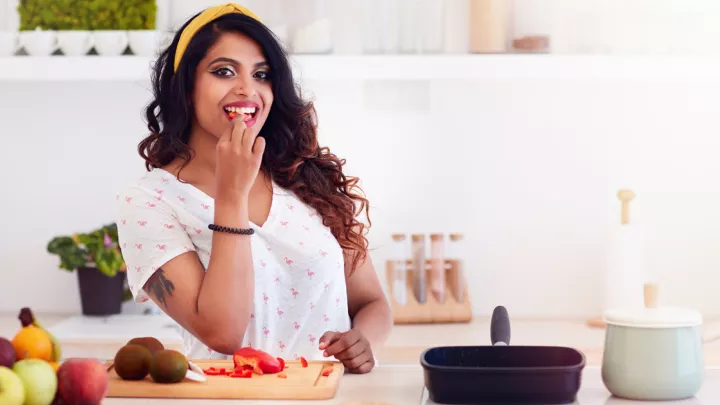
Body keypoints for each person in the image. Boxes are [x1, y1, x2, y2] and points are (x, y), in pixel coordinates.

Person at [115, 3, 392, 374]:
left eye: (262, 74)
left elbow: (372, 302)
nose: (248, 89)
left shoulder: (307, 177)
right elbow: (223, 333)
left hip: (329, 395)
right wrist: (232, 195)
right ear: (185, 87)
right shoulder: (149, 202)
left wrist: (364, 341)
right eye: (224, 71)